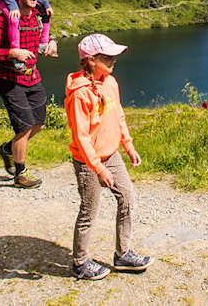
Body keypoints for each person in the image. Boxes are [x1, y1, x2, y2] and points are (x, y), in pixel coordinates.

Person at [65, 34, 152, 280]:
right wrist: (98, 169)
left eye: (114, 55)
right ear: (91, 60)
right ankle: (80, 262)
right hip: (87, 161)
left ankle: (122, 254)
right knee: (89, 210)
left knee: (127, 198)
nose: (113, 60)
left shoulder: (110, 82)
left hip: (111, 154)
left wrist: (128, 145)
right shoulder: (80, 94)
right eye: (107, 56)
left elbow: (118, 116)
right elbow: (81, 137)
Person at [0, 0, 53, 188]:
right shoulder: (2, 20)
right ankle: (20, 174)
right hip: (9, 79)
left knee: (39, 123)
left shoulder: (37, 18)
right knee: (24, 126)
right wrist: (11, 52)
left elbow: (44, 40)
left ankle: (7, 149)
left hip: (32, 76)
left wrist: (51, 44)